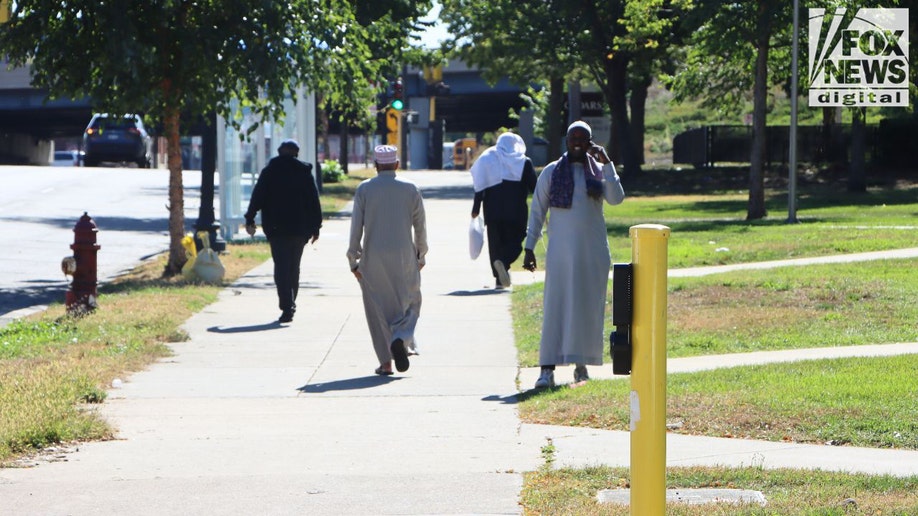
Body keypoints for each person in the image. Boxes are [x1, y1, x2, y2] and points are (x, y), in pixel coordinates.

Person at [523, 121, 625, 388]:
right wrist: (529, 247)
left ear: (591, 142)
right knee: (555, 310)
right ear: (565, 141)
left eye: (583, 139)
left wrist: (608, 165)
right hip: (560, 256)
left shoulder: (599, 172)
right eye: (573, 138)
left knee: (585, 310)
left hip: (592, 254)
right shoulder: (552, 172)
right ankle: (547, 370)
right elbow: (537, 212)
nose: (578, 143)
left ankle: (581, 368)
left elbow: (616, 199)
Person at [347, 145, 428, 375]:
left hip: (373, 258)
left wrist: (353, 259)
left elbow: (356, 228)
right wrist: (421, 254)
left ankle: (385, 362)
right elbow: (420, 225)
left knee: (376, 309)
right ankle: (401, 338)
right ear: (396, 164)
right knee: (412, 301)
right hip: (404, 256)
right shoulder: (411, 188)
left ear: (375, 166)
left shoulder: (364, 189)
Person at [244, 139, 322, 324]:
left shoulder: (270, 172)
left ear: (279, 152)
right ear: (296, 153)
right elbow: (313, 201)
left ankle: (287, 305)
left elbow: (258, 196)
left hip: (276, 228)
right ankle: (290, 302)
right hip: (299, 228)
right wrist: (315, 227)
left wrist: (250, 217)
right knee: (294, 266)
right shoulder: (304, 173)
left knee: (281, 267)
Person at [470, 132, 537, 289]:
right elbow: (535, 187)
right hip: (516, 212)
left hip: (492, 211)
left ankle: (499, 280)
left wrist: (476, 208)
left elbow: (480, 184)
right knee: (516, 240)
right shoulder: (524, 162)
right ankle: (505, 263)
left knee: (496, 244)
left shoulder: (487, 159)